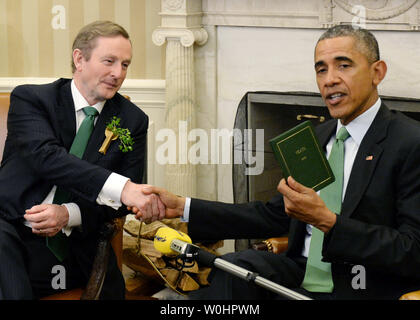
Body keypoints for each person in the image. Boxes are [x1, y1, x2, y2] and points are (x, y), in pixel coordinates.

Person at [134, 25, 420, 299]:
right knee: (234, 268)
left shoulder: (408, 142)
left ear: (377, 72)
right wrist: (183, 207)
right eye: (321, 69)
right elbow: (271, 215)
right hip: (300, 275)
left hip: (363, 284)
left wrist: (328, 222)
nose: (329, 79)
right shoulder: (316, 139)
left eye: (343, 65)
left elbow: (412, 249)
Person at [0, 20, 165, 299]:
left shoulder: (133, 120)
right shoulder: (32, 99)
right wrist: (121, 187)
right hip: (13, 228)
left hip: (78, 241)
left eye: (125, 64)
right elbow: (48, 158)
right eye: (109, 61)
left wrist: (68, 214)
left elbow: (122, 204)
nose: (118, 73)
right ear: (80, 58)